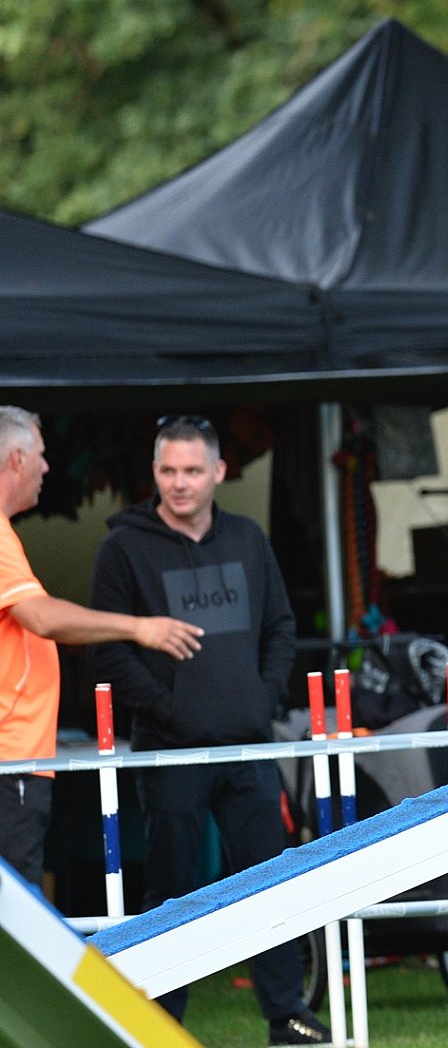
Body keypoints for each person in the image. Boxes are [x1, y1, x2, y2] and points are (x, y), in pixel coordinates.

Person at [87, 414, 330, 1046]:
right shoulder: (123, 548)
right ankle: (159, 1024)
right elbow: (107, 652)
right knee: (171, 891)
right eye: (168, 470)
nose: (179, 483)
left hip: (248, 745)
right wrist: (169, 710)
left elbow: (281, 627)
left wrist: (261, 697)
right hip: (168, 753)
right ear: (154, 472)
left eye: (192, 470)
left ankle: (287, 1016)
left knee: (269, 879)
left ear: (219, 471)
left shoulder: (247, 538)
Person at [0, 406, 204, 889]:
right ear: (16, 460)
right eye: (41, 455)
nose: (48, 467)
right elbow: (41, 616)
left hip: (16, 756)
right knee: (14, 911)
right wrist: (138, 628)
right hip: (10, 758)